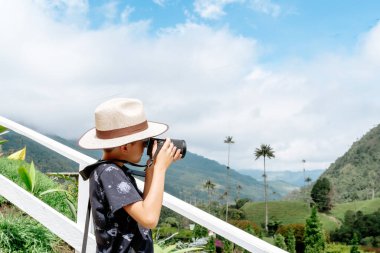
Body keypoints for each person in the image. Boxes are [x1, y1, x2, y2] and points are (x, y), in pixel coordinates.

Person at [78, 98, 182, 252]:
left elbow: (145, 207)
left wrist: (152, 168)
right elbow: (149, 219)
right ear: (125, 147)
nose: (145, 145)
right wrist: (161, 168)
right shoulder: (109, 173)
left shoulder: (112, 171)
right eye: (143, 141)